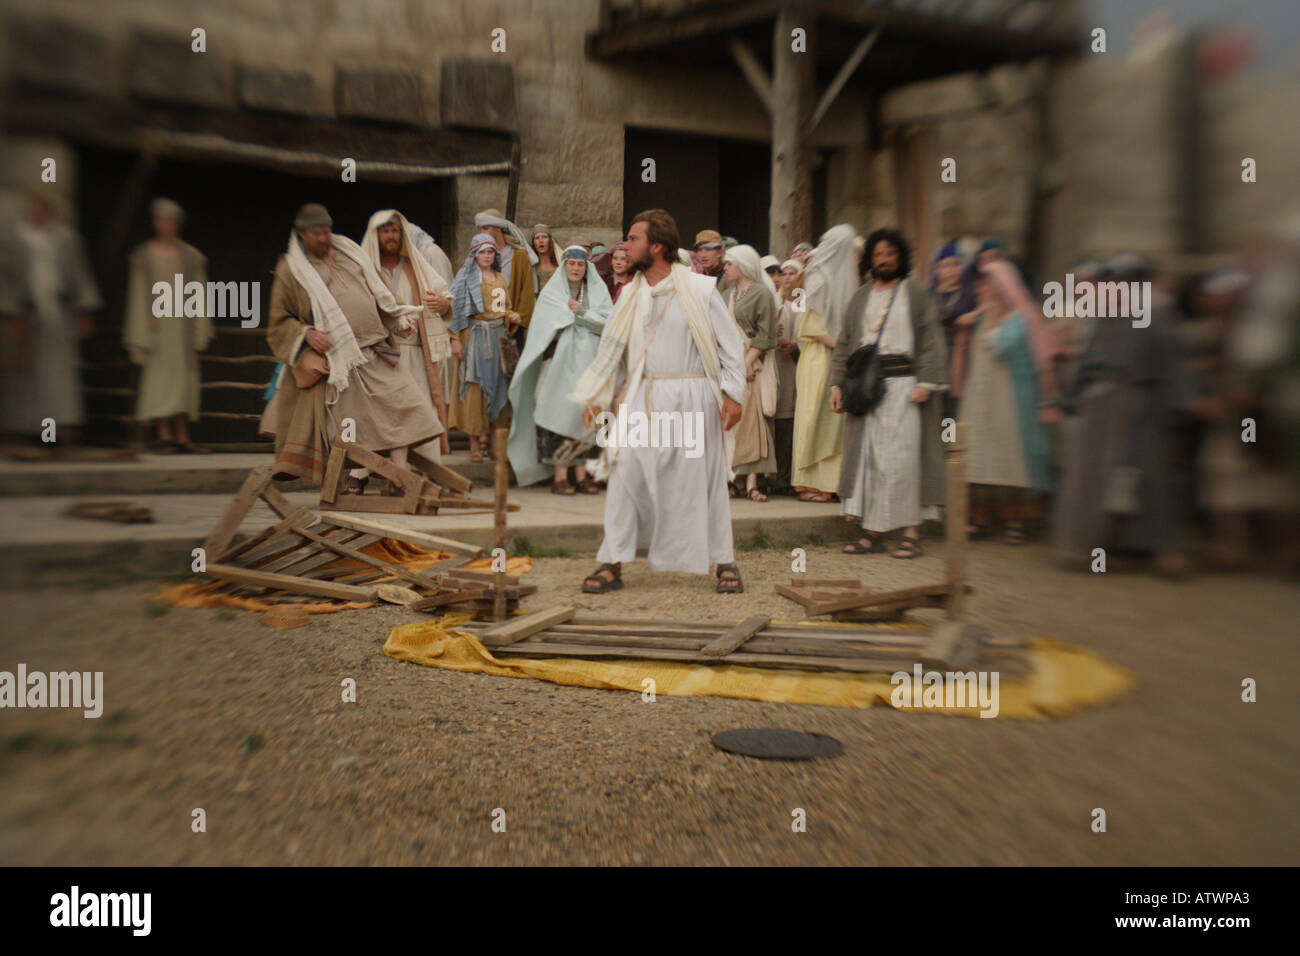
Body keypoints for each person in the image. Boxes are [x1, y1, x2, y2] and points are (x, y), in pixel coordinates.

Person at [572, 209, 748, 594]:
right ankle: (612, 560)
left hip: (692, 396)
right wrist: (600, 398)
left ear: (656, 246)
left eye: (633, 239)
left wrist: (734, 393)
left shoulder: (700, 290)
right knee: (625, 474)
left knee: (704, 480)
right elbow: (616, 352)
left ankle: (725, 560)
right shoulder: (629, 296)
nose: (626, 245)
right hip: (644, 396)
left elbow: (730, 345)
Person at [264, 203, 438, 485]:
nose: (324, 238)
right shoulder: (292, 270)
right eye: (317, 233)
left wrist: (399, 320)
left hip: (376, 349)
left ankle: (400, 477)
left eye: (326, 231)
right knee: (348, 430)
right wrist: (306, 334)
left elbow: (380, 295)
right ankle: (346, 483)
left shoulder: (351, 253)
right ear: (302, 235)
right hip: (339, 361)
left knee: (406, 405)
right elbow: (278, 321)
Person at [1052, 253, 1193, 576]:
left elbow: (1170, 362)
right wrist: (1069, 399)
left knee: (1147, 477)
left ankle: (1161, 550)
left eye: (1121, 281)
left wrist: (1179, 401)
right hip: (1100, 408)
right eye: (1111, 281)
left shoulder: (1153, 315)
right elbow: (1088, 363)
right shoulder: (1104, 318)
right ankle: (1102, 550)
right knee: (1098, 480)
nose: (1115, 287)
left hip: (1139, 405)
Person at [831, 228, 948, 558]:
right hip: (866, 386)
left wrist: (927, 383)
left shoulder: (916, 293)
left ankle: (911, 532)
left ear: (901, 258)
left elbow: (930, 339)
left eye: (890, 254)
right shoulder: (860, 296)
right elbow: (844, 344)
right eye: (878, 255)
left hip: (904, 388)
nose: (883, 260)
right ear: (870, 260)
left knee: (905, 459)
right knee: (869, 459)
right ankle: (872, 533)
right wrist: (836, 385)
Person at [954, 261, 1055, 544]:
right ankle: (980, 519)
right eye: (980, 284)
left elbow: (999, 346)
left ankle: (1015, 522)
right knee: (980, 458)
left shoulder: (1020, 318)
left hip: (1010, 399)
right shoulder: (982, 318)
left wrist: (989, 317)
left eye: (987, 284)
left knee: (1010, 459)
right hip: (981, 396)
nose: (982, 289)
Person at [508, 245, 613, 493]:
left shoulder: (598, 292)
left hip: (589, 363)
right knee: (558, 415)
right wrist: (574, 318)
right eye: (571, 264)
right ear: (564, 265)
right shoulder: (551, 294)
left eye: (580, 264)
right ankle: (560, 476)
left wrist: (582, 313)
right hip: (558, 366)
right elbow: (546, 327)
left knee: (587, 417)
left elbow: (608, 324)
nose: (576, 268)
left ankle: (582, 474)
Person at [1, 189, 101, 446]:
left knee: (58, 372)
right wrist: (11, 313)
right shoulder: (17, 239)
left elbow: (80, 276)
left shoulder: (67, 240)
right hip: (28, 314)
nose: (38, 212)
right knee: (26, 374)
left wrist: (84, 309)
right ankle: (29, 429)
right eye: (34, 207)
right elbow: (10, 278)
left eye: (42, 208)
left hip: (59, 312)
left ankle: (59, 428)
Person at [122, 198, 214, 453]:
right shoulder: (145, 256)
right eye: (162, 219)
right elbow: (139, 293)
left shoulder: (191, 257)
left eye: (172, 220)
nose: (167, 225)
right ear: (155, 222)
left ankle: (183, 435)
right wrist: (142, 325)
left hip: (183, 323)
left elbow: (199, 292)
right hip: (158, 325)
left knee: (184, 377)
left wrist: (200, 325)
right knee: (159, 377)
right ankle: (163, 434)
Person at [360, 209, 450, 466]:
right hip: (379, 354)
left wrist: (442, 303)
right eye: (386, 231)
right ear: (376, 235)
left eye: (395, 231)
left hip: (415, 353)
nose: (391, 236)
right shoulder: (366, 271)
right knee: (379, 411)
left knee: (419, 410)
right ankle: (366, 472)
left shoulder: (415, 266)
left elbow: (445, 296)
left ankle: (423, 469)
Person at [794, 225, 858, 501]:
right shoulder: (818, 277)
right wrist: (850, 347)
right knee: (816, 416)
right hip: (820, 358)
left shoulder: (846, 278)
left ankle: (829, 484)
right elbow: (815, 328)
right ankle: (812, 481)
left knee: (833, 420)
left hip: (836, 356)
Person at [448, 233, 523, 462]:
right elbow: (455, 311)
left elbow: (504, 307)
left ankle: (492, 442)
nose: (487, 256)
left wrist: (511, 317)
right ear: (474, 254)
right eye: (482, 252)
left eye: (490, 251)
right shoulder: (466, 278)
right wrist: (455, 339)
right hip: (475, 337)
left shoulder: (500, 279)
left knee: (499, 385)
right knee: (474, 388)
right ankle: (474, 445)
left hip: (497, 336)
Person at [722, 244, 779, 501]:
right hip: (729, 361)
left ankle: (752, 482)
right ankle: (733, 477)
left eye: (729, 263)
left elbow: (766, 335)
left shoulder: (762, 294)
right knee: (730, 422)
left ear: (742, 266)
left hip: (750, 363)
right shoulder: (725, 294)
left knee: (751, 419)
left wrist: (747, 362)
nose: (725, 268)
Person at [928, 241, 978, 419]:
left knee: (957, 408)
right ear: (936, 269)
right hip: (934, 355)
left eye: (954, 264)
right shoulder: (928, 295)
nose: (949, 270)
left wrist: (972, 317)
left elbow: (983, 312)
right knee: (936, 406)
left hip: (961, 354)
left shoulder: (970, 295)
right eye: (944, 265)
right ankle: (940, 444)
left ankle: (954, 443)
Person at [769, 258, 799, 496]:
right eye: (781, 273)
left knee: (785, 422)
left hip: (790, 370)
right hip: (770, 368)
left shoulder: (798, 304)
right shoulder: (771, 302)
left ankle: (783, 477)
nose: (784, 277)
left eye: (790, 273)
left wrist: (795, 347)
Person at [692, 228, 729, 296]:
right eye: (699, 250)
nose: (703, 255)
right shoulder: (700, 278)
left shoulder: (728, 277)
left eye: (708, 249)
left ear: (719, 253)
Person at [531, 224, 559, 293]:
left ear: (550, 241)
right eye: (537, 238)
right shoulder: (531, 268)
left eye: (544, 237)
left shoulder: (559, 266)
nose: (541, 240)